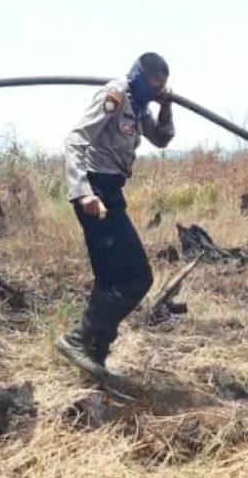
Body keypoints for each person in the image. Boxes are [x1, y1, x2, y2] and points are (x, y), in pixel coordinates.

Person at [55, 52, 174, 375]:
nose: (155, 92)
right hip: (96, 193)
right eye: (153, 87)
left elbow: (161, 139)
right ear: (139, 78)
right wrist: (83, 192)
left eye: (160, 89)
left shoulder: (139, 105)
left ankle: (95, 354)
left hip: (112, 190)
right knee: (138, 277)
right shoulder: (116, 95)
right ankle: (78, 339)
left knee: (110, 279)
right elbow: (75, 140)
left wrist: (165, 107)